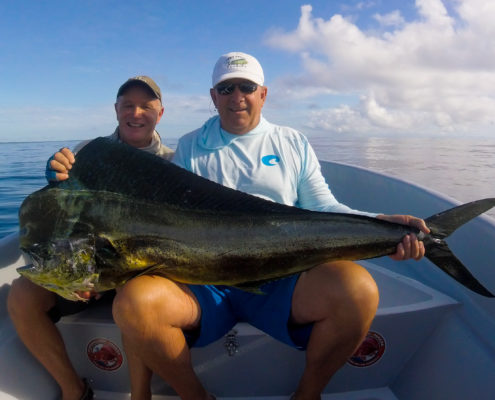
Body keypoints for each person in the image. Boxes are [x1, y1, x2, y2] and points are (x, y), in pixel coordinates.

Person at [111, 52, 429, 400]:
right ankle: (195, 396)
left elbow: (324, 208)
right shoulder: (190, 147)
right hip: (205, 282)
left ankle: (307, 394)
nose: (237, 97)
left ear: (263, 93)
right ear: (213, 97)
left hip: (283, 275)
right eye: (226, 88)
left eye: (246, 87)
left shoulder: (292, 142)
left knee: (359, 291)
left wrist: (382, 224)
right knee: (133, 303)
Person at [7, 75, 173, 400]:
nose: (136, 113)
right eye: (128, 105)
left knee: (134, 294)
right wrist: (55, 177)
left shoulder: (173, 163)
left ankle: (141, 396)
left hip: (139, 274)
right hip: (85, 269)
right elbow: (63, 219)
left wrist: (107, 275)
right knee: (21, 296)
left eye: (146, 106)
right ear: (116, 110)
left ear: (160, 113)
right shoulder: (86, 154)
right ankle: (74, 391)